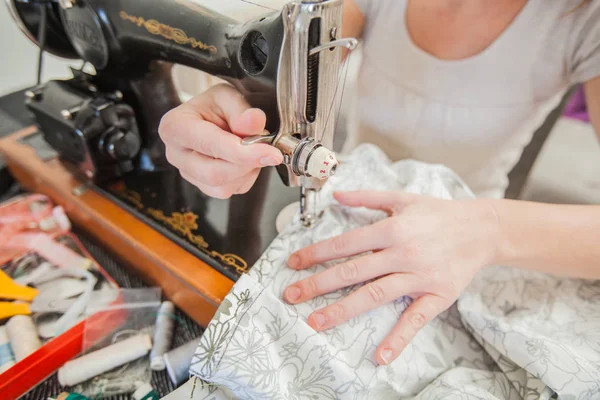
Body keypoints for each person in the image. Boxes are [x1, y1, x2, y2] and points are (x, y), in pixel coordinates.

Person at [158, 0, 600, 367]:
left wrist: (490, 229)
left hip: (464, 244)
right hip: (350, 197)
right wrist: (240, 108)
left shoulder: (584, 20)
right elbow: (298, 82)